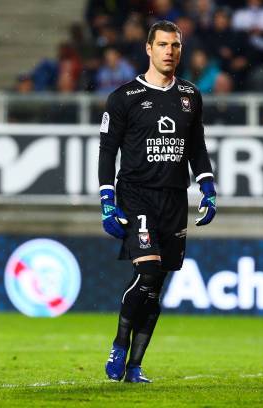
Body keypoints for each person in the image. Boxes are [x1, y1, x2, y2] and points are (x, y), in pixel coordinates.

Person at [98, 20, 217, 383]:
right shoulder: (124, 97)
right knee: (147, 272)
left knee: (156, 285)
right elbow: (107, 151)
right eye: (163, 45)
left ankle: (134, 366)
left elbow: (196, 145)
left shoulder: (190, 96)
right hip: (136, 197)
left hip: (173, 199)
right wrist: (107, 199)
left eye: (176, 45)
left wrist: (208, 188)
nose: (169, 51)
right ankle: (119, 346)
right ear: (148, 48)